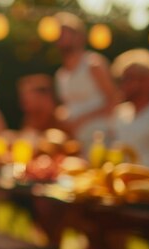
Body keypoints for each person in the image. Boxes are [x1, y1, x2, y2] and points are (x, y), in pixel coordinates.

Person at [53, 12, 119, 155]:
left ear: (79, 37)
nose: (60, 37)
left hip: (101, 141)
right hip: (75, 144)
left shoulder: (93, 65)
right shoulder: (61, 74)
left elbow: (115, 100)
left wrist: (82, 119)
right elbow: (68, 106)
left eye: (64, 33)